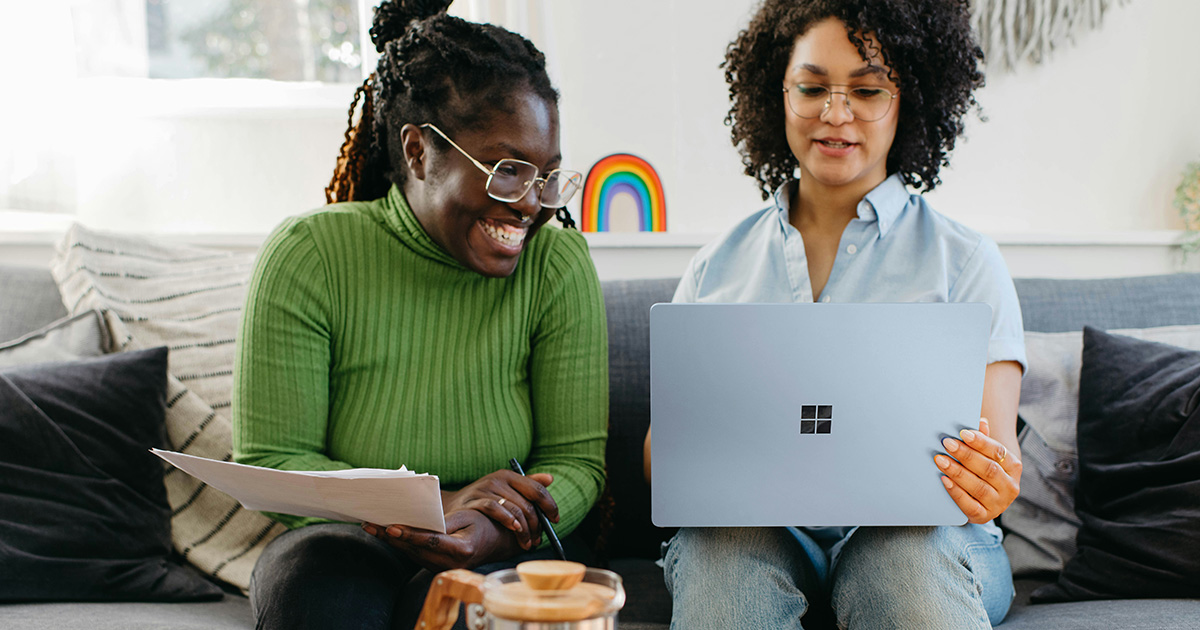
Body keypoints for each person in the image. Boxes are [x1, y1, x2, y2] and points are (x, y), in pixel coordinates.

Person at [644, 0, 1027, 628]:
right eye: (813, 87)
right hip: (754, 537)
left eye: (868, 89)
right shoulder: (717, 265)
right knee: (720, 559)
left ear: (910, 101)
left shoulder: (966, 262)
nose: (836, 113)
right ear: (780, 93)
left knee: (900, 560)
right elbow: (665, 463)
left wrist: (990, 481)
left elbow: (995, 454)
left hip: (924, 542)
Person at [230, 1, 608, 628]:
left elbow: (576, 462)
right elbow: (272, 459)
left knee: (476, 613)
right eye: (508, 171)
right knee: (313, 587)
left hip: (500, 542)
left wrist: (494, 528)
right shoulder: (309, 255)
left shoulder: (557, 264)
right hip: (348, 539)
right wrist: (432, 503)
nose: (530, 207)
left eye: (546, 178)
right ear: (418, 153)